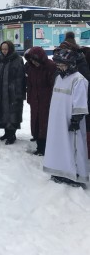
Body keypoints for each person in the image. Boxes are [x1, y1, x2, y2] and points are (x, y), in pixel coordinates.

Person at [43, 47, 89, 188]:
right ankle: (59, 170)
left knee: (72, 146)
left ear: (71, 64)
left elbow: (80, 101)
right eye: (58, 64)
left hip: (70, 121)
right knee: (57, 145)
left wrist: (76, 119)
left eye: (62, 64)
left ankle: (73, 174)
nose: (59, 66)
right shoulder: (58, 78)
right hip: (57, 120)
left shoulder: (78, 79)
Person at [0, 40, 25, 145]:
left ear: (11, 49)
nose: (4, 51)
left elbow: (20, 77)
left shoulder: (17, 59)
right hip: (1, 91)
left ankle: (12, 134)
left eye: (6, 49)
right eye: (2, 49)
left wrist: (18, 92)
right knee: (3, 112)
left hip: (13, 92)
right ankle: (6, 132)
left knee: (12, 113)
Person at [24, 46, 57, 155]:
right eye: (32, 60)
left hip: (46, 100)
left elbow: (53, 85)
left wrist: (52, 100)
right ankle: (39, 146)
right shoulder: (31, 68)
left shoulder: (51, 66)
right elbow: (29, 84)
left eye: (35, 60)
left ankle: (45, 148)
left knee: (45, 123)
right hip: (35, 100)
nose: (34, 62)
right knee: (36, 123)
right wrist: (29, 98)